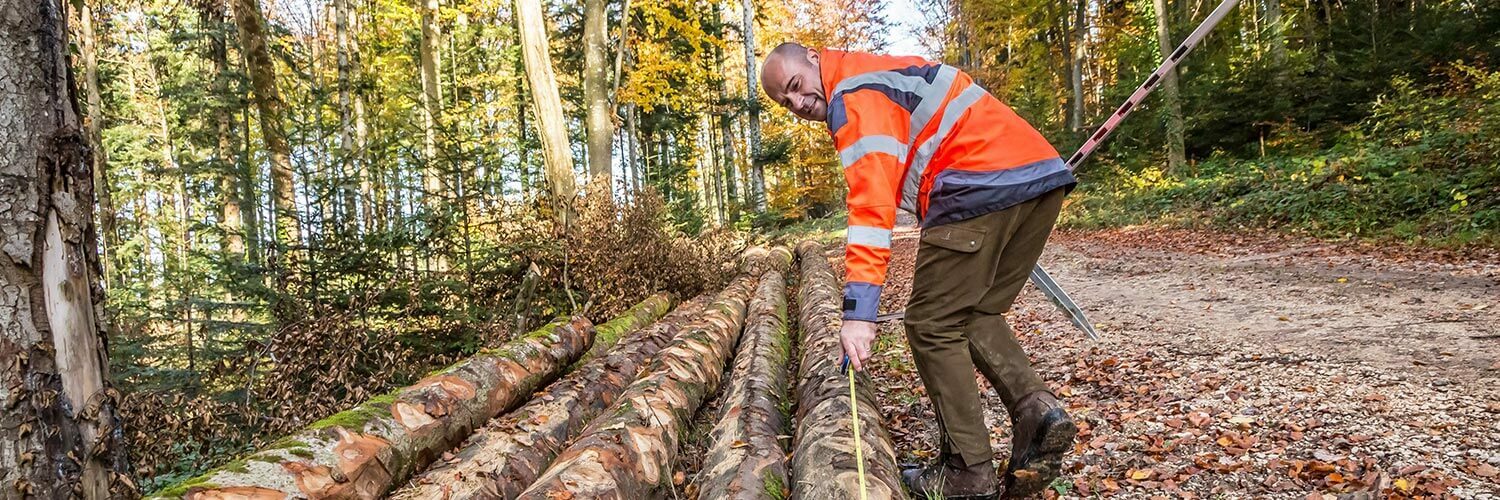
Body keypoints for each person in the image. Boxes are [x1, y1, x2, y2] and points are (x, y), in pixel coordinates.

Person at [759, 42, 1079, 499]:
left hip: (977, 182)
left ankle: (967, 472)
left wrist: (858, 314)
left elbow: (871, 211)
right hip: (1037, 179)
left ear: (813, 57)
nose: (797, 103)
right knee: (975, 313)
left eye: (794, 87)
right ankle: (1039, 413)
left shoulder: (853, 94)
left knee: (931, 325)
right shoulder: (876, 74)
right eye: (785, 104)